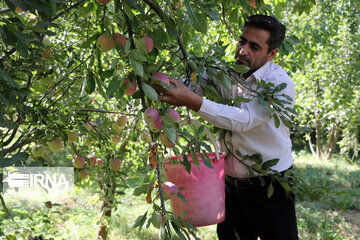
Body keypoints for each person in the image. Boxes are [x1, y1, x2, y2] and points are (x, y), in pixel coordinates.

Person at [154, 14, 299, 240]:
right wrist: (161, 85)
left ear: (272, 54)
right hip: (229, 186)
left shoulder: (278, 84)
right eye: (242, 41)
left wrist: (192, 100)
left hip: (271, 185)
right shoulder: (224, 73)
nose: (243, 51)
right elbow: (192, 86)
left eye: (254, 47)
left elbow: (244, 120)